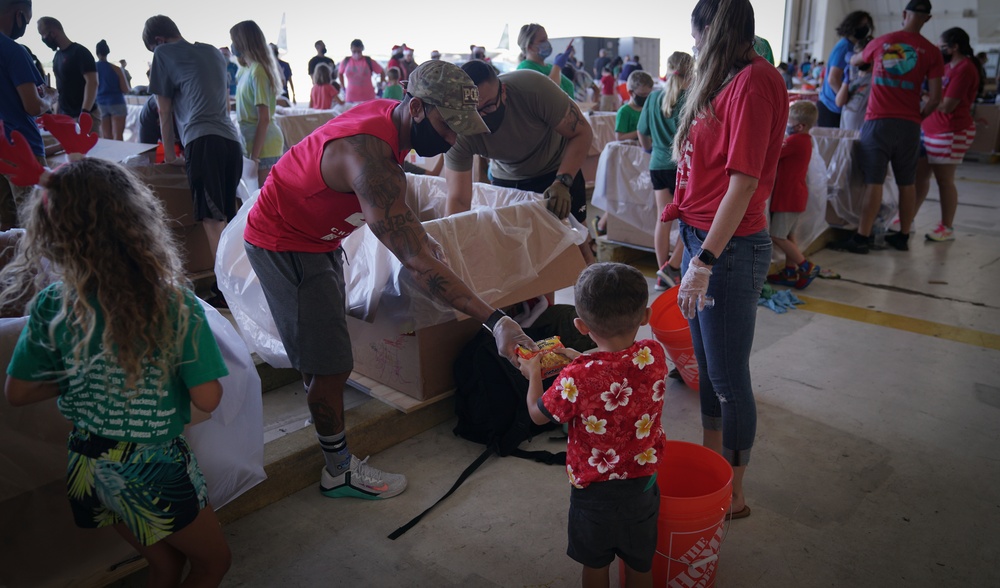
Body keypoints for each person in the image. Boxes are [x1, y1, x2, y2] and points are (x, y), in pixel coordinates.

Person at [243, 60, 536, 500]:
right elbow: (416, 260)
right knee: (331, 362)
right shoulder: (369, 159)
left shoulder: (391, 121)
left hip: (319, 237)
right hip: (285, 242)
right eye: (448, 126)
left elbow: (402, 223)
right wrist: (495, 321)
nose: (454, 140)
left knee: (327, 347)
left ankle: (327, 421)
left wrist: (414, 236)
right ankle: (337, 471)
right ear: (417, 107)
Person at [1, 157, 232, 586]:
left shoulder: (54, 303)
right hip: (152, 467)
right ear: (136, 220)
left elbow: (18, 392)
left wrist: (85, 374)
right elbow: (208, 398)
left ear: (52, 233)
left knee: (164, 563)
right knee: (213, 562)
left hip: (89, 466)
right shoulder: (172, 304)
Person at [662, 0, 788, 520]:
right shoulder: (721, 79)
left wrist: (706, 258)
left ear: (714, 33)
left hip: (729, 248)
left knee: (729, 376)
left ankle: (734, 492)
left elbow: (744, 182)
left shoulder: (756, 83)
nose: (693, 47)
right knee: (709, 369)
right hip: (701, 238)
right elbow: (700, 168)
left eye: (696, 38)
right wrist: (678, 231)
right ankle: (714, 465)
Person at [519, 262, 666, 588]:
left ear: (581, 325)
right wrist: (578, 359)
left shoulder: (578, 377)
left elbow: (537, 413)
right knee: (641, 563)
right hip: (643, 486)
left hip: (593, 493)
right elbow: (615, 369)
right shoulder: (654, 354)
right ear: (645, 316)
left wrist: (533, 375)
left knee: (596, 564)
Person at [444, 61, 596, 262]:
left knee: (581, 247)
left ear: (503, 91)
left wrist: (563, 182)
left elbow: (582, 132)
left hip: (557, 168)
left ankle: (594, 291)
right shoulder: (459, 130)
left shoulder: (532, 88)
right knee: (526, 258)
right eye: (473, 111)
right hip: (509, 181)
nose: (481, 117)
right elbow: (458, 200)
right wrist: (451, 248)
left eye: (489, 106)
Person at [829, 0, 943, 254]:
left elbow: (856, 60)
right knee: (907, 182)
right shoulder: (932, 52)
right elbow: (935, 98)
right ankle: (902, 235)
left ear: (904, 14)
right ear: (927, 19)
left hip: (878, 121)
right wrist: (918, 118)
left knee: (874, 181)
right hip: (910, 125)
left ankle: (862, 237)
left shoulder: (883, 42)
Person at [144, 14, 243, 296]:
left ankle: (228, 289)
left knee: (213, 220)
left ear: (158, 41)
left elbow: (164, 111)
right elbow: (222, 100)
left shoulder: (163, 52)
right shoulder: (213, 51)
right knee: (228, 216)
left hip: (202, 141)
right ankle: (241, 281)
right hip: (230, 140)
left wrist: (170, 157)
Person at [915, 27, 983, 243]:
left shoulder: (965, 69)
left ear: (954, 47)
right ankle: (907, 217)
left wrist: (926, 97)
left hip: (951, 131)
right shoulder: (948, 66)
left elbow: (947, 106)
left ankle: (947, 226)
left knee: (944, 180)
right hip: (930, 128)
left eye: (943, 47)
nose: (939, 50)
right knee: (919, 176)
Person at [642, 51, 692, 291]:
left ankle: (663, 272)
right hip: (682, 167)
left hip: (657, 165)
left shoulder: (653, 98)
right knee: (688, 220)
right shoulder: (690, 98)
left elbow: (642, 132)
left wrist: (650, 150)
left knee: (663, 219)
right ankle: (672, 267)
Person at [0, 0, 52, 229]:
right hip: (21, 147)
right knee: (34, 225)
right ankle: (32, 267)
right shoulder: (13, 51)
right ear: (18, 14)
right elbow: (32, 106)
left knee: (5, 225)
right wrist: (50, 100)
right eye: (27, 22)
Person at [767, 100, 822, 289]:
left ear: (800, 126)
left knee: (777, 235)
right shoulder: (805, 141)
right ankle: (790, 272)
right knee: (789, 236)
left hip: (788, 197)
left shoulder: (795, 141)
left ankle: (806, 266)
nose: (787, 126)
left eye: (789, 123)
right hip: (796, 196)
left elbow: (771, 153)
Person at [230, 20, 284, 187]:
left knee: (262, 202)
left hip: (265, 147)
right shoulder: (243, 71)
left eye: (234, 40)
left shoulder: (258, 71)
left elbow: (264, 118)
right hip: (252, 143)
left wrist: (254, 157)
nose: (232, 45)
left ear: (243, 42)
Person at [817, 11, 874, 128]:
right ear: (852, 25)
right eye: (861, 25)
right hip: (831, 107)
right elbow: (833, 79)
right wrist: (846, 99)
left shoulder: (851, 46)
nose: (864, 28)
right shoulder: (845, 46)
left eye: (866, 25)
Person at [36, 16, 98, 124]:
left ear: (53, 33)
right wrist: (57, 112)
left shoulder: (80, 52)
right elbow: (61, 88)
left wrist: (85, 112)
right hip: (66, 115)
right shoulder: (57, 57)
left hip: (85, 115)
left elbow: (92, 82)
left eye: (43, 34)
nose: (43, 39)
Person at [516, 23, 575, 97]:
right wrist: (557, 67)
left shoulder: (550, 67)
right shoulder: (525, 69)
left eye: (547, 39)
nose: (547, 43)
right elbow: (548, 92)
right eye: (542, 40)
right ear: (530, 47)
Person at [835, 35, 874, 132]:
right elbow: (839, 102)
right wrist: (846, 81)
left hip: (862, 132)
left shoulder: (875, 79)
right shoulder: (854, 77)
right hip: (846, 131)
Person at [94, 39, 129, 140]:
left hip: (100, 104)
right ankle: (120, 156)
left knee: (107, 137)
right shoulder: (116, 69)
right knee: (118, 137)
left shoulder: (93, 69)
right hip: (117, 102)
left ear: (97, 53)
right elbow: (125, 89)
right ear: (108, 52)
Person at [338, 38, 384, 104]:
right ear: (351, 49)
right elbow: (340, 73)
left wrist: (380, 86)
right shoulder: (346, 61)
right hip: (350, 98)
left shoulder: (368, 61)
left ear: (362, 49)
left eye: (359, 51)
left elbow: (382, 72)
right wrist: (343, 87)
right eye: (354, 51)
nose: (356, 54)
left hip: (368, 98)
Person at [614, 70, 653, 141]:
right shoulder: (624, 111)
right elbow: (620, 137)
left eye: (648, 94)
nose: (646, 97)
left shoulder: (649, 109)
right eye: (642, 94)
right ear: (631, 93)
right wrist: (641, 131)